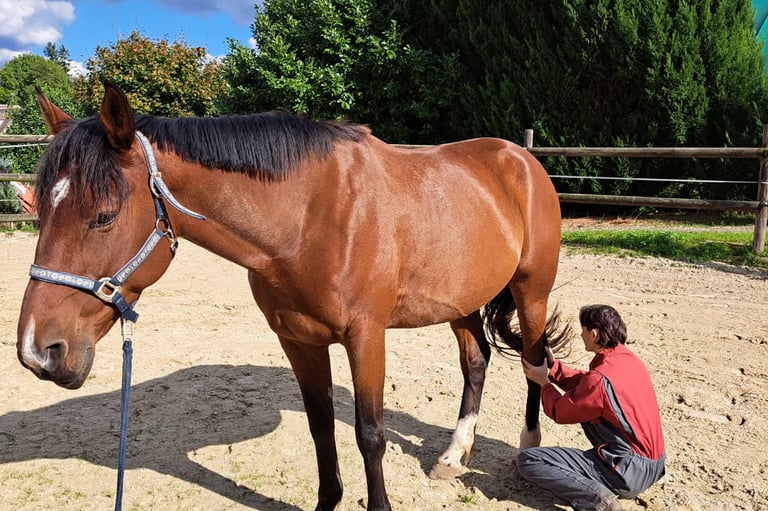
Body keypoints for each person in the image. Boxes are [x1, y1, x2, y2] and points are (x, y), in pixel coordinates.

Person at [518, 304, 665, 511]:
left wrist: (544, 384)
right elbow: (588, 384)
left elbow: (560, 411)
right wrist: (554, 368)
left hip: (627, 472)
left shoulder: (599, 379)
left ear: (594, 334)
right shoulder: (628, 360)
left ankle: (600, 502)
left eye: (583, 329)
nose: (580, 334)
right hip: (653, 466)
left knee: (529, 460)